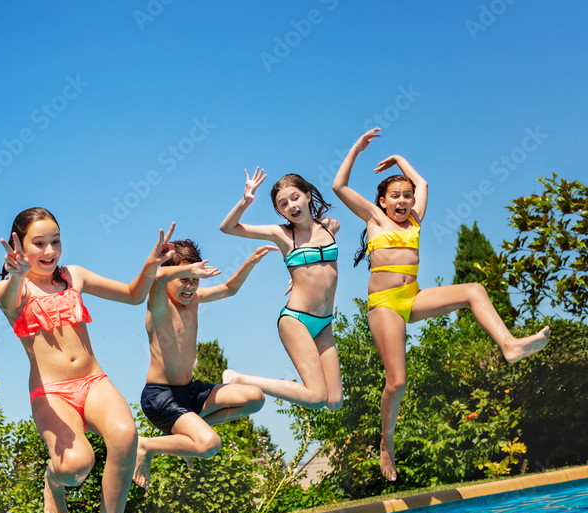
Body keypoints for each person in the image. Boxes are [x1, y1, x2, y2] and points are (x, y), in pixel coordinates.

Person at [332, 127, 550, 481]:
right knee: (397, 383)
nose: (402, 202)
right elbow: (339, 187)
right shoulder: (374, 219)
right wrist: (357, 148)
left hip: (413, 296)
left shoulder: (415, 220)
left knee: (474, 289)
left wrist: (401, 159)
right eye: (395, 196)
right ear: (383, 201)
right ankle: (386, 444)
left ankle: (509, 345)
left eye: (407, 196)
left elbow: (425, 183)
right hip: (385, 305)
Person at [0, 207, 174, 513]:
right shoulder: (13, 288)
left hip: (93, 381)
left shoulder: (74, 277)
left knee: (125, 436)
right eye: (39, 243)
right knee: (76, 467)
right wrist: (17, 273)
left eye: (55, 241)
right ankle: (53, 480)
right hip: (51, 392)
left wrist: (151, 264)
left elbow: (134, 295)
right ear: (18, 246)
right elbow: (6, 301)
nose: (50, 250)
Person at [133, 239, 272, 490]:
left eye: (195, 280)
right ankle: (146, 445)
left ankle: (189, 435)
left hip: (191, 392)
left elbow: (229, 288)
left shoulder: (194, 300)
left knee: (255, 398)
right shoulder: (160, 303)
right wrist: (186, 270)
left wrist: (250, 262)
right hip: (161, 397)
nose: (190, 287)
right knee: (209, 445)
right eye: (184, 279)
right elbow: (156, 277)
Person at [219, 168, 345, 411]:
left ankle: (239, 379)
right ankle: (238, 378)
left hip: (324, 322)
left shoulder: (331, 227)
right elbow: (228, 227)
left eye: (295, 198)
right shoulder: (282, 234)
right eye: (283, 204)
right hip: (296, 319)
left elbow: (320, 269)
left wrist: (300, 276)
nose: (291, 206)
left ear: (308, 196)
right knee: (317, 398)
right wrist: (246, 200)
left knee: (335, 402)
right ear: (279, 211)